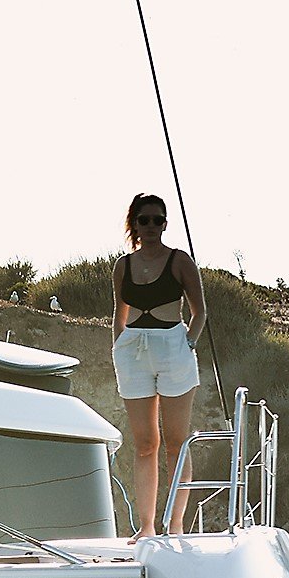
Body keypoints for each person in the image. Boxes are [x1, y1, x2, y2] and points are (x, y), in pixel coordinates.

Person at [111, 193, 206, 538]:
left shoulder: (180, 261)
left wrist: (188, 344)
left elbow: (200, 312)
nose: (151, 226)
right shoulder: (123, 265)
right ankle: (147, 526)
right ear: (134, 223)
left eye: (157, 220)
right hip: (133, 350)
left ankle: (177, 524)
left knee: (176, 442)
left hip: (173, 347)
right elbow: (118, 315)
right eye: (144, 220)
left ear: (165, 223)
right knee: (144, 443)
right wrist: (118, 345)